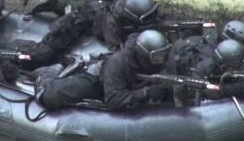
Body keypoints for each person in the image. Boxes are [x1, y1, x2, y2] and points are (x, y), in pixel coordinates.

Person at [13, 0, 162, 69]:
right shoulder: (111, 23)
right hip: (77, 23)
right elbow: (117, 54)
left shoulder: (130, 6)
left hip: (91, 13)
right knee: (43, 54)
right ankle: (12, 48)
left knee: (81, 13)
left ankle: (56, 4)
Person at [33, 30, 172, 111]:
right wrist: (145, 93)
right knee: (50, 96)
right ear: (143, 55)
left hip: (125, 85)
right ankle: (48, 74)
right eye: (157, 57)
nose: (161, 60)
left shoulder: (158, 62)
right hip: (96, 82)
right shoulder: (118, 63)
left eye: (163, 55)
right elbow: (112, 99)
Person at [164, 37, 244, 106]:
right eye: (229, 67)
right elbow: (198, 91)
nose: (231, 70)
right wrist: (229, 89)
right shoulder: (204, 67)